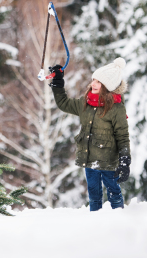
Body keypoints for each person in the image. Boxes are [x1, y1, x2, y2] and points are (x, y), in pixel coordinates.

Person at [49, 58, 131, 211]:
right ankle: (95, 223)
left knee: (114, 192)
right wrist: (58, 82)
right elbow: (64, 103)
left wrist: (125, 160)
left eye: (98, 82)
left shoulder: (116, 109)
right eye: (94, 80)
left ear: (108, 86)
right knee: (93, 194)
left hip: (108, 162)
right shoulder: (85, 103)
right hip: (89, 160)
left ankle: (120, 220)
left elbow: (123, 136)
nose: (93, 84)